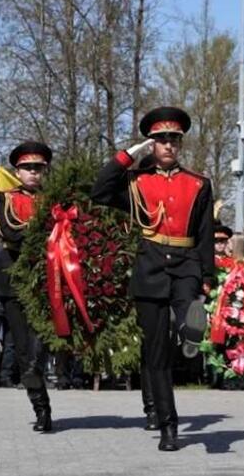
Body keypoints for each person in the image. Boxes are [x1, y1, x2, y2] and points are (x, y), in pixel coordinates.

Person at [92, 108, 215, 452]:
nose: (169, 145)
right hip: (150, 267)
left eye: (174, 139)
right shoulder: (134, 183)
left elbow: (205, 234)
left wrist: (207, 277)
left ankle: (192, 327)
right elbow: (99, 192)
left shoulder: (199, 183)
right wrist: (130, 155)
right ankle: (168, 425)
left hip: (186, 263)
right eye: (161, 140)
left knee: (190, 306)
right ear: (152, 144)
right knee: (157, 355)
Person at [0, 141, 54, 426]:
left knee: (40, 344)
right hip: (15, 280)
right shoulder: (5, 198)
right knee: (23, 347)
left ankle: (39, 384)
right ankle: (41, 408)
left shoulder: (53, 200)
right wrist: (41, 232)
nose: (33, 173)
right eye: (27, 168)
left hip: (46, 277)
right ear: (17, 171)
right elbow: (10, 231)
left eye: (38, 168)